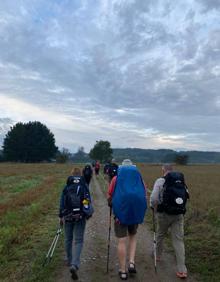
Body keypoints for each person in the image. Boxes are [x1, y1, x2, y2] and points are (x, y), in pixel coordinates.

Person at [107, 159, 147, 280]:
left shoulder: (116, 179)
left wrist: (110, 203)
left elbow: (110, 195)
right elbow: (144, 193)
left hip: (120, 214)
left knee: (122, 240)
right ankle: (131, 262)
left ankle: (123, 271)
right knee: (133, 236)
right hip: (134, 212)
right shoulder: (138, 178)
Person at [150, 164, 189, 279]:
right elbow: (186, 195)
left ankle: (157, 255)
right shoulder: (181, 181)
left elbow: (154, 198)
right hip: (178, 214)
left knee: (161, 234)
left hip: (164, 214)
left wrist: (153, 207)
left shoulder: (160, 181)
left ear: (163, 170)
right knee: (178, 240)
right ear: (172, 170)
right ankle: (182, 270)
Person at [59, 167, 93, 280]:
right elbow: (87, 201)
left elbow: (62, 202)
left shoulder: (67, 186)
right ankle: (75, 264)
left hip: (68, 216)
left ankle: (69, 260)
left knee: (68, 239)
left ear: (71, 174)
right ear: (81, 175)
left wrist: (61, 216)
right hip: (80, 217)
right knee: (78, 240)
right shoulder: (84, 185)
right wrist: (87, 213)